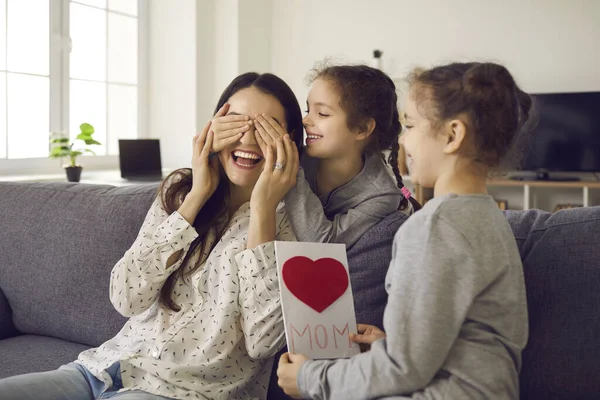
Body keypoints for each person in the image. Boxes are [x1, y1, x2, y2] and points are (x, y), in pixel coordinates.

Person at [0, 72, 303, 400]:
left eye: (265, 127)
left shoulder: (293, 226)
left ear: (289, 140)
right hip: (102, 369)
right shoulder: (180, 193)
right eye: (235, 123)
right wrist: (197, 194)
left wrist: (263, 209)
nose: (246, 140)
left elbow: (262, 342)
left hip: (184, 392)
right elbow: (125, 297)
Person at [277, 62, 532, 399]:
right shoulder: (488, 216)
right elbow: (452, 344)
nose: (402, 139)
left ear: (453, 135)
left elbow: (402, 370)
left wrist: (310, 378)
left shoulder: (432, 228)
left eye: (410, 125)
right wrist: (391, 344)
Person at [251, 64, 421, 249]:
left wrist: (290, 171)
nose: (305, 121)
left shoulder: (381, 195)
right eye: (308, 110)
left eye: (322, 113)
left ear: (362, 128)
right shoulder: (298, 154)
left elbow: (325, 244)